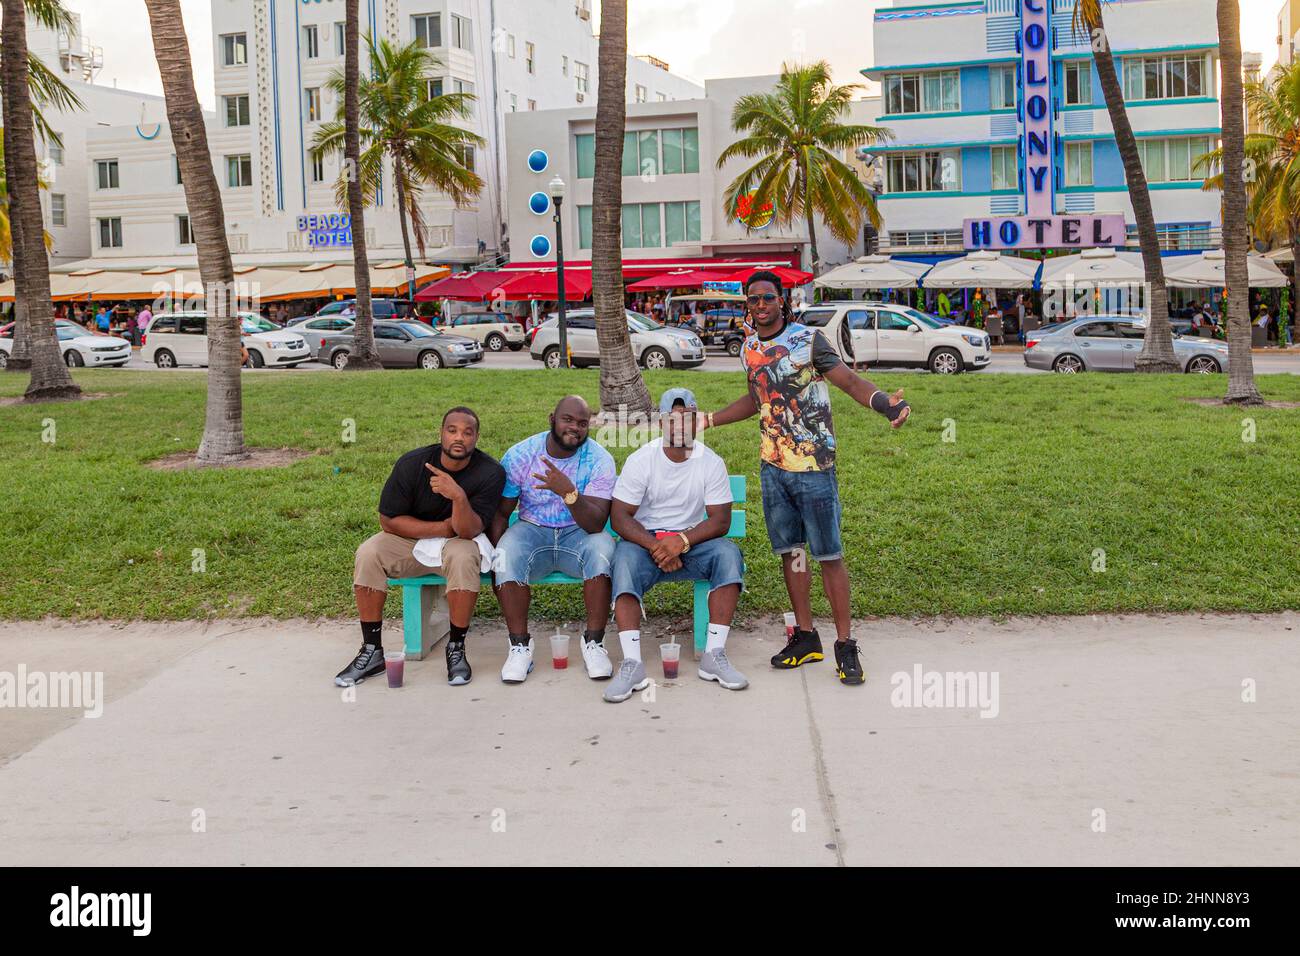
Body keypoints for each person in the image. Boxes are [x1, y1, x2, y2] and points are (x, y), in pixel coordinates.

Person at [700, 270, 910, 687]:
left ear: (782, 300)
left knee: (828, 555)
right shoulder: (748, 348)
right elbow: (756, 398)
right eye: (754, 299)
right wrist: (710, 419)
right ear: (748, 304)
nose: (761, 305)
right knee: (792, 553)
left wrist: (885, 403)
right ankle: (806, 636)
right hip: (774, 468)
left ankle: (845, 644)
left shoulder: (807, 340)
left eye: (768, 298)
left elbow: (848, 381)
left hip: (814, 468)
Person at [334, 407, 506, 688]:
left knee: (464, 557)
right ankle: (371, 650)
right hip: (412, 539)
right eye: (452, 431)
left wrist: (458, 496)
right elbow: (387, 520)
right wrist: (440, 528)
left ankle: (456, 648)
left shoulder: (490, 472)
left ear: (476, 438)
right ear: (441, 433)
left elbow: (469, 530)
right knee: (369, 553)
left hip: (458, 541)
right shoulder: (412, 464)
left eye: (467, 432)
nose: (459, 438)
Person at [603, 387, 747, 703]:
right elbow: (620, 517)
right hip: (646, 543)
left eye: (688, 418)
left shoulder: (710, 462)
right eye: (673, 419)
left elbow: (720, 520)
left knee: (728, 554)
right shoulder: (642, 460)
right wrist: (659, 545)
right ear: (661, 423)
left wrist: (680, 542)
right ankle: (632, 664)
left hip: (690, 543)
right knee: (623, 561)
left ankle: (714, 655)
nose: (680, 426)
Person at [490, 395, 618, 684]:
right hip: (532, 529)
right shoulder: (522, 455)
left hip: (580, 534)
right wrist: (494, 563)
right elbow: (501, 514)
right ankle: (520, 646)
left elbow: (596, 523)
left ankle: (594, 643)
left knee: (602, 550)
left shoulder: (599, 460)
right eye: (568, 420)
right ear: (552, 419)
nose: (575, 428)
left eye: (583, 423)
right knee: (507, 553)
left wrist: (568, 493)